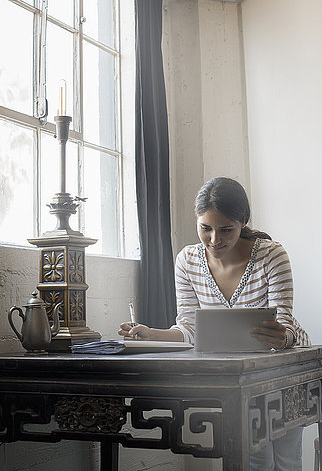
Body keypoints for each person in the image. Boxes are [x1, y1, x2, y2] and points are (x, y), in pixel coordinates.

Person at [119, 177, 311, 471]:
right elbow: (189, 330)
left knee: (286, 461)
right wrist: (148, 333)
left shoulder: (273, 255)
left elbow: (285, 322)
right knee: (256, 459)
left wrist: (281, 337)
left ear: (243, 221)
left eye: (226, 230)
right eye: (205, 228)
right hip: (239, 378)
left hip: (285, 370)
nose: (214, 240)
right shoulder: (187, 261)